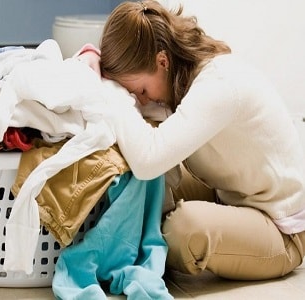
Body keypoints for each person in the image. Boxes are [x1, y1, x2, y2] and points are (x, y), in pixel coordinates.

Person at [76, 0, 305, 280]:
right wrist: (91, 58)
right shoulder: (176, 79)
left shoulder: (219, 85)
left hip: (281, 229)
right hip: (231, 196)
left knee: (182, 230)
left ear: (162, 61)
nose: (142, 100)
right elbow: (138, 125)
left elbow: (148, 160)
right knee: (132, 184)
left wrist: (110, 92)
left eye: (142, 90)